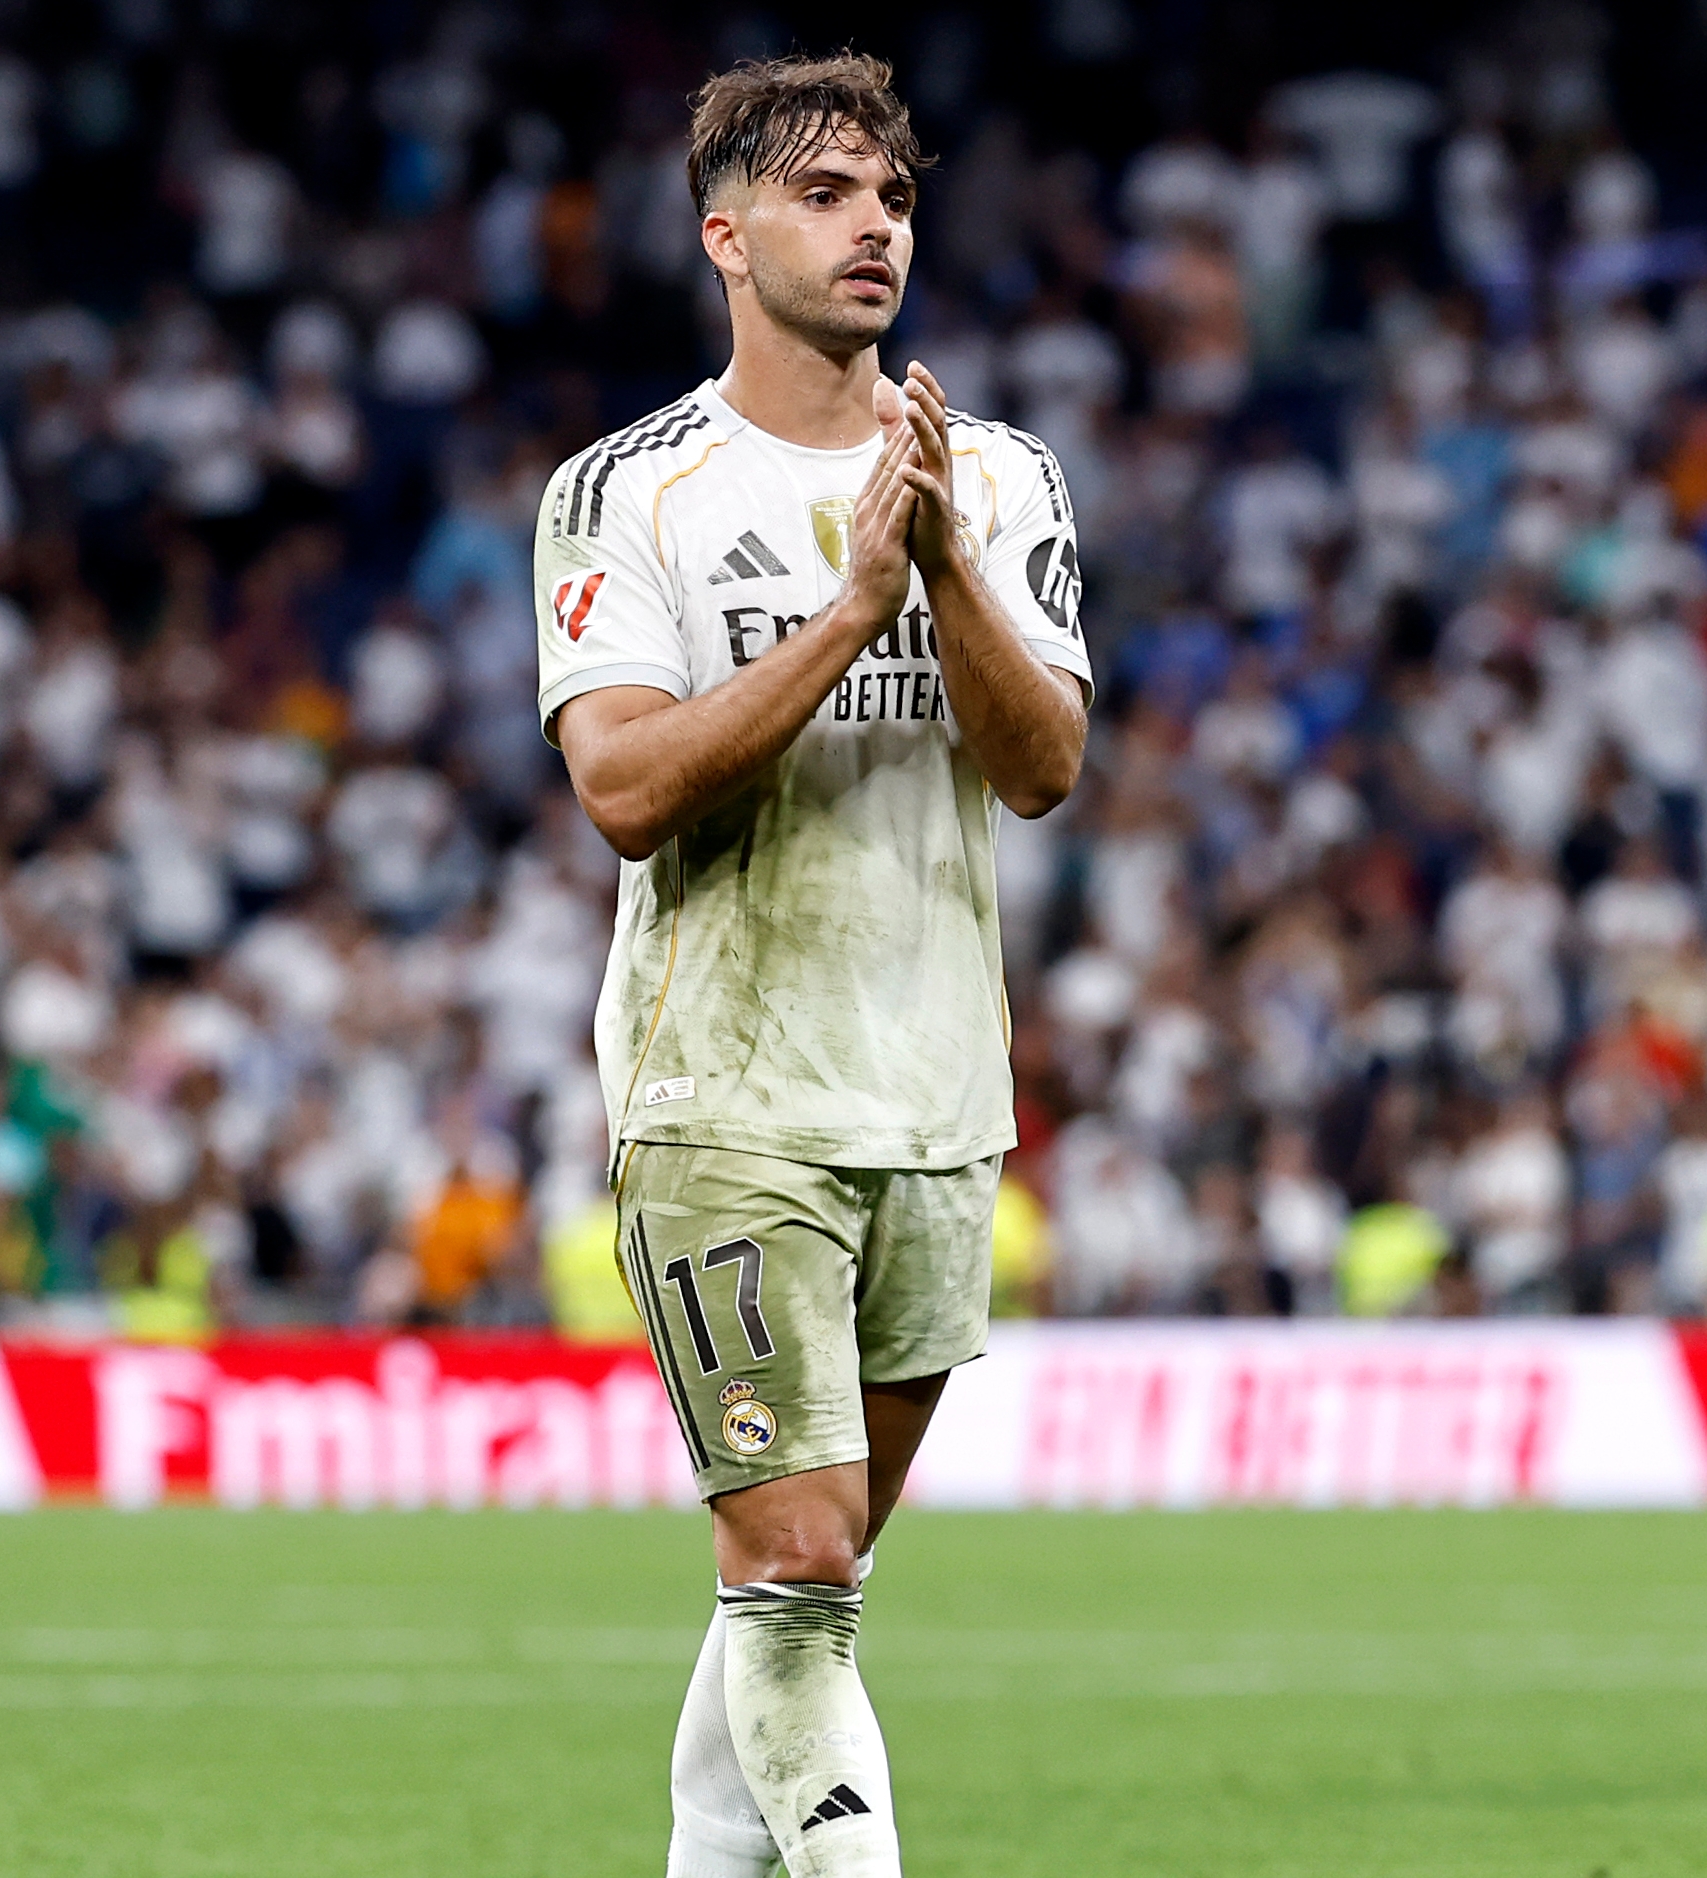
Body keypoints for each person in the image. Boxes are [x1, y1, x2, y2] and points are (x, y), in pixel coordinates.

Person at [534, 54, 1091, 1878]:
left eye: (895, 200)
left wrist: (934, 569)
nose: (875, 228)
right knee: (786, 1554)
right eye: (831, 193)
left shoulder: (995, 477)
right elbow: (619, 785)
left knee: (809, 1585)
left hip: (933, 1100)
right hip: (724, 1099)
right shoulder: (633, 490)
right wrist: (846, 607)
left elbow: (1043, 768)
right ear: (724, 231)